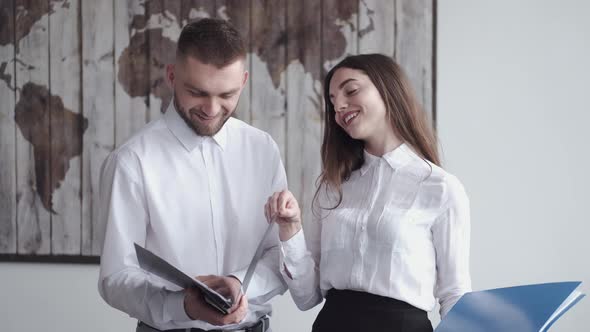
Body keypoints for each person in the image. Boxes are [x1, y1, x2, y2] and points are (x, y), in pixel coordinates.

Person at [98, 18, 286, 332]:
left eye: (227, 95)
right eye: (197, 92)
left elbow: (279, 253)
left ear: (244, 81)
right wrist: (184, 306)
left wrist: (240, 284)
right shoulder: (132, 161)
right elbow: (116, 278)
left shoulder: (262, 149)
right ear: (172, 76)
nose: (212, 109)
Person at [265, 54, 471, 332]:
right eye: (332, 101)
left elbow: (454, 294)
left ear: (388, 89)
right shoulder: (331, 186)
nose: (338, 106)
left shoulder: (440, 187)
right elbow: (306, 296)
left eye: (350, 90)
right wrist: (290, 229)